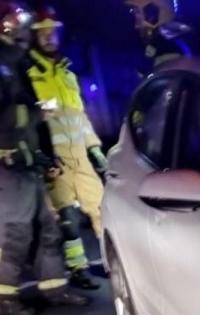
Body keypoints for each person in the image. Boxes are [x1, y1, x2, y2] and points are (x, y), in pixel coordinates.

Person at [0, 1, 87, 315]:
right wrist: (38, 112)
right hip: (8, 164)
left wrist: (42, 155)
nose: (21, 24)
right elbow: (11, 116)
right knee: (16, 231)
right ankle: (5, 296)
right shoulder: (5, 62)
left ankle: (55, 288)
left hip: (26, 160)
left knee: (48, 227)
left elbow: (24, 112)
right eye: (15, 19)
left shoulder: (15, 61)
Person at [28, 6, 104, 290]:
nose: (49, 37)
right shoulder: (30, 74)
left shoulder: (68, 74)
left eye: (53, 32)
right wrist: (41, 156)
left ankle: (110, 259)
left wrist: (95, 149)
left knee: (101, 208)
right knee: (66, 216)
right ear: (35, 37)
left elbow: (80, 117)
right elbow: (31, 120)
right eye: (43, 33)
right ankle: (78, 268)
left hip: (80, 157)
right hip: (55, 161)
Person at [125, 0, 190, 76]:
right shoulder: (140, 43)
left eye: (137, 12)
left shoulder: (170, 50)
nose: (136, 24)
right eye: (133, 12)